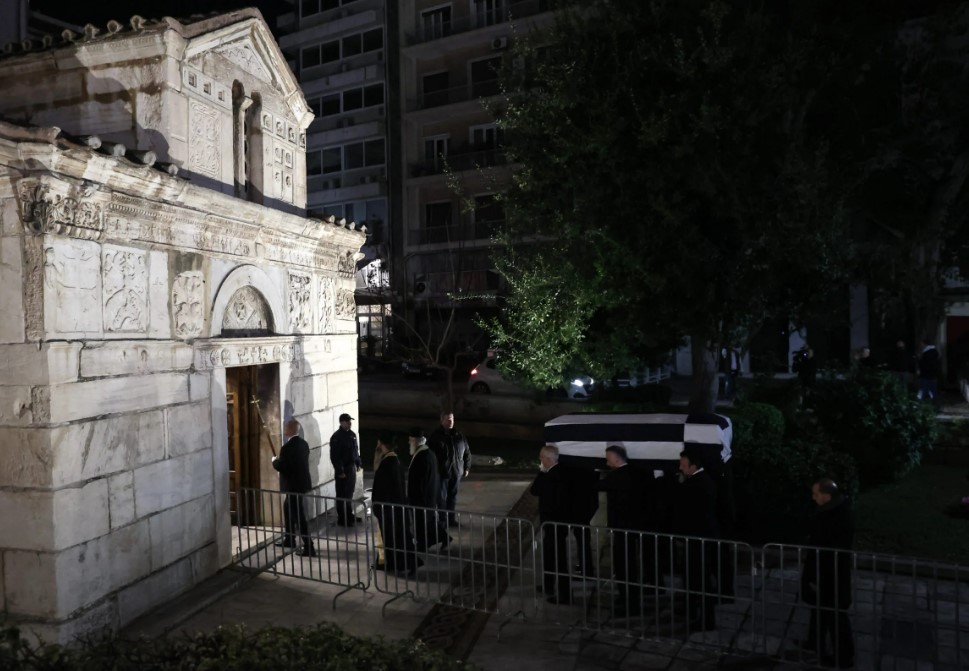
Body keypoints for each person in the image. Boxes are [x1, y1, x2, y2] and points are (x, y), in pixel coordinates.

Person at [800, 478, 855, 669]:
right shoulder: (831, 510)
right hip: (824, 569)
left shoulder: (836, 516)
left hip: (830, 572)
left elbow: (826, 543)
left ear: (827, 496)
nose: (813, 497)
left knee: (835, 614)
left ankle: (844, 657)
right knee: (819, 609)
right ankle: (815, 642)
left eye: (816, 494)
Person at [596, 445, 657, 615]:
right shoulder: (639, 473)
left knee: (624, 566)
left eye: (608, 459)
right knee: (631, 565)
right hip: (637, 525)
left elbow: (597, 485)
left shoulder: (618, 476)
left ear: (616, 459)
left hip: (622, 528)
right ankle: (629, 597)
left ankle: (629, 602)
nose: (606, 462)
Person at [671, 447, 720, 631]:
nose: (680, 468)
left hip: (700, 538)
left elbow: (681, 499)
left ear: (693, 466)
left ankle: (706, 618)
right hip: (696, 536)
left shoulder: (699, 484)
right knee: (690, 575)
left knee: (700, 578)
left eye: (683, 465)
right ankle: (690, 608)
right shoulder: (699, 480)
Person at [529, 445, 573, 604]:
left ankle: (564, 594)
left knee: (558, 560)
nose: (540, 459)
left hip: (553, 523)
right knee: (550, 557)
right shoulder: (564, 472)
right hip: (558, 523)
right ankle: (548, 586)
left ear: (548, 459)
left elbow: (534, 490)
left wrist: (541, 472)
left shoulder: (549, 476)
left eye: (541, 457)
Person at [371, 435, 419, 576]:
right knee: (392, 537)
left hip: (388, 509)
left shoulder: (388, 463)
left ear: (381, 443)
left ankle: (400, 564)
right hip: (394, 508)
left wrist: (378, 507)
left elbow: (383, 489)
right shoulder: (394, 460)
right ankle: (389, 563)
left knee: (393, 538)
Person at [272, 419, 316, 557]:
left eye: (287, 427)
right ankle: (289, 539)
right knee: (288, 509)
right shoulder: (304, 444)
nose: (284, 428)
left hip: (293, 486)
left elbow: (284, 467)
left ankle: (309, 547)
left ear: (292, 430)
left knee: (299, 516)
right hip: (301, 485)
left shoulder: (287, 448)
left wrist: (275, 462)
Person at [427, 411, 472, 527]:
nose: (451, 421)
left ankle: (451, 519)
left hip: (456, 473)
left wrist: (466, 468)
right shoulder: (435, 437)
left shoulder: (459, 436)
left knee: (452, 497)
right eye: (448, 419)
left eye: (452, 419)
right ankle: (443, 520)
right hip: (442, 474)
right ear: (442, 420)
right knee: (441, 498)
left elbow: (467, 453)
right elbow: (429, 455)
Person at [406, 428, 448, 552]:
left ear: (415, 441)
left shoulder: (421, 457)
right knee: (429, 522)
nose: (409, 443)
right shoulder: (428, 453)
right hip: (429, 497)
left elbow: (419, 481)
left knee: (422, 523)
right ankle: (444, 537)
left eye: (410, 440)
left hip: (422, 498)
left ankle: (423, 545)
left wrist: (413, 498)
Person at [329, 412, 362, 526]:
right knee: (342, 494)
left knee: (349, 493)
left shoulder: (352, 434)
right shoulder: (337, 437)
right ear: (342, 422)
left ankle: (349, 515)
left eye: (350, 421)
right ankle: (342, 518)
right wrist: (340, 471)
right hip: (343, 470)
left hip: (351, 468)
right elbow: (335, 457)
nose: (350, 423)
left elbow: (355, 450)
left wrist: (358, 463)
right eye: (347, 421)